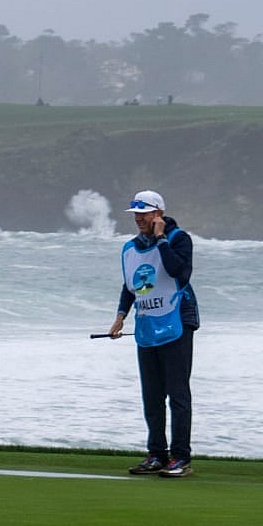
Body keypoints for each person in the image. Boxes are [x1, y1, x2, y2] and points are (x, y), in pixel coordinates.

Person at [107, 189, 197, 477]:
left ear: (158, 213)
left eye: (144, 213)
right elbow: (132, 285)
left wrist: (160, 239)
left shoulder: (178, 239)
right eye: (136, 214)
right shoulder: (131, 248)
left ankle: (180, 457)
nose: (138, 219)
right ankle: (157, 454)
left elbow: (177, 271)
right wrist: (121, 316)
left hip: (178, 322)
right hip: (147, 325)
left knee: (178, 394)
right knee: (152, 395)